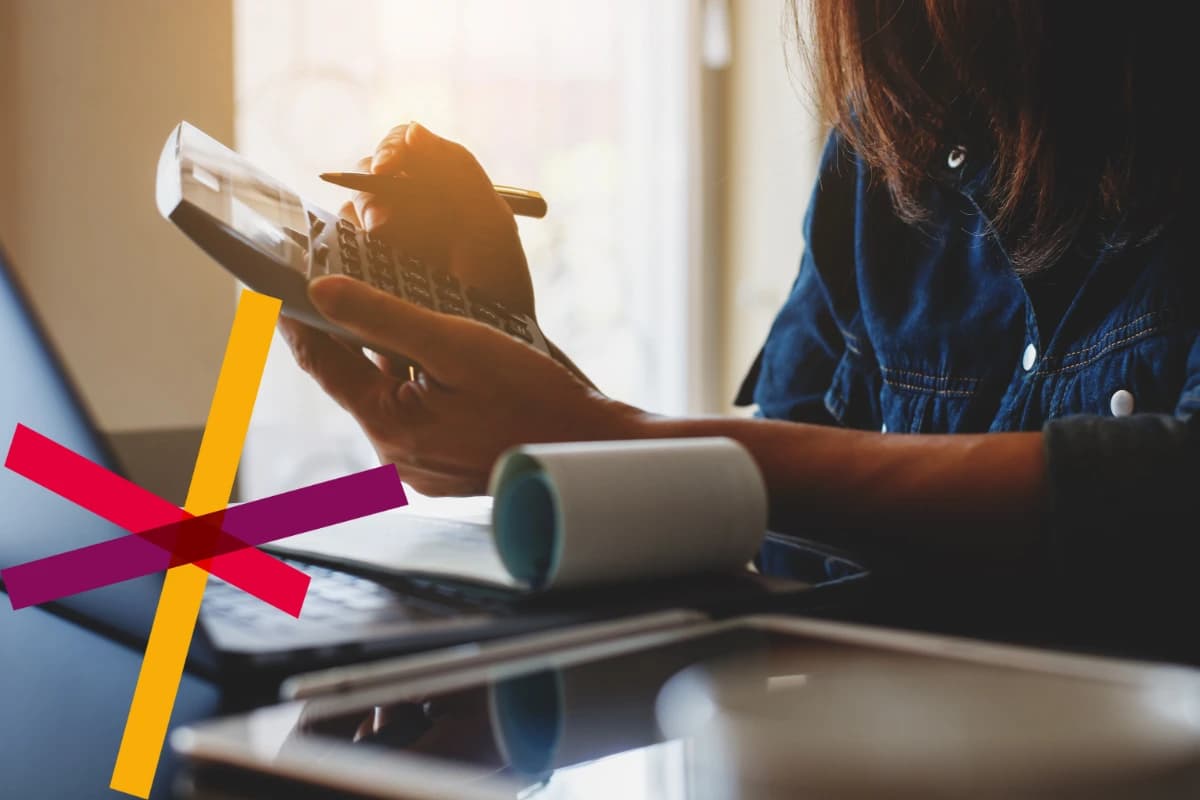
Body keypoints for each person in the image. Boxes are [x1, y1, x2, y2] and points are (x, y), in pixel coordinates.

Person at [277, 3, 1199, 657]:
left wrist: (599, 438)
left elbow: (1169, 500)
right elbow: (782, 538)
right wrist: (536, 377)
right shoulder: (885, 154)